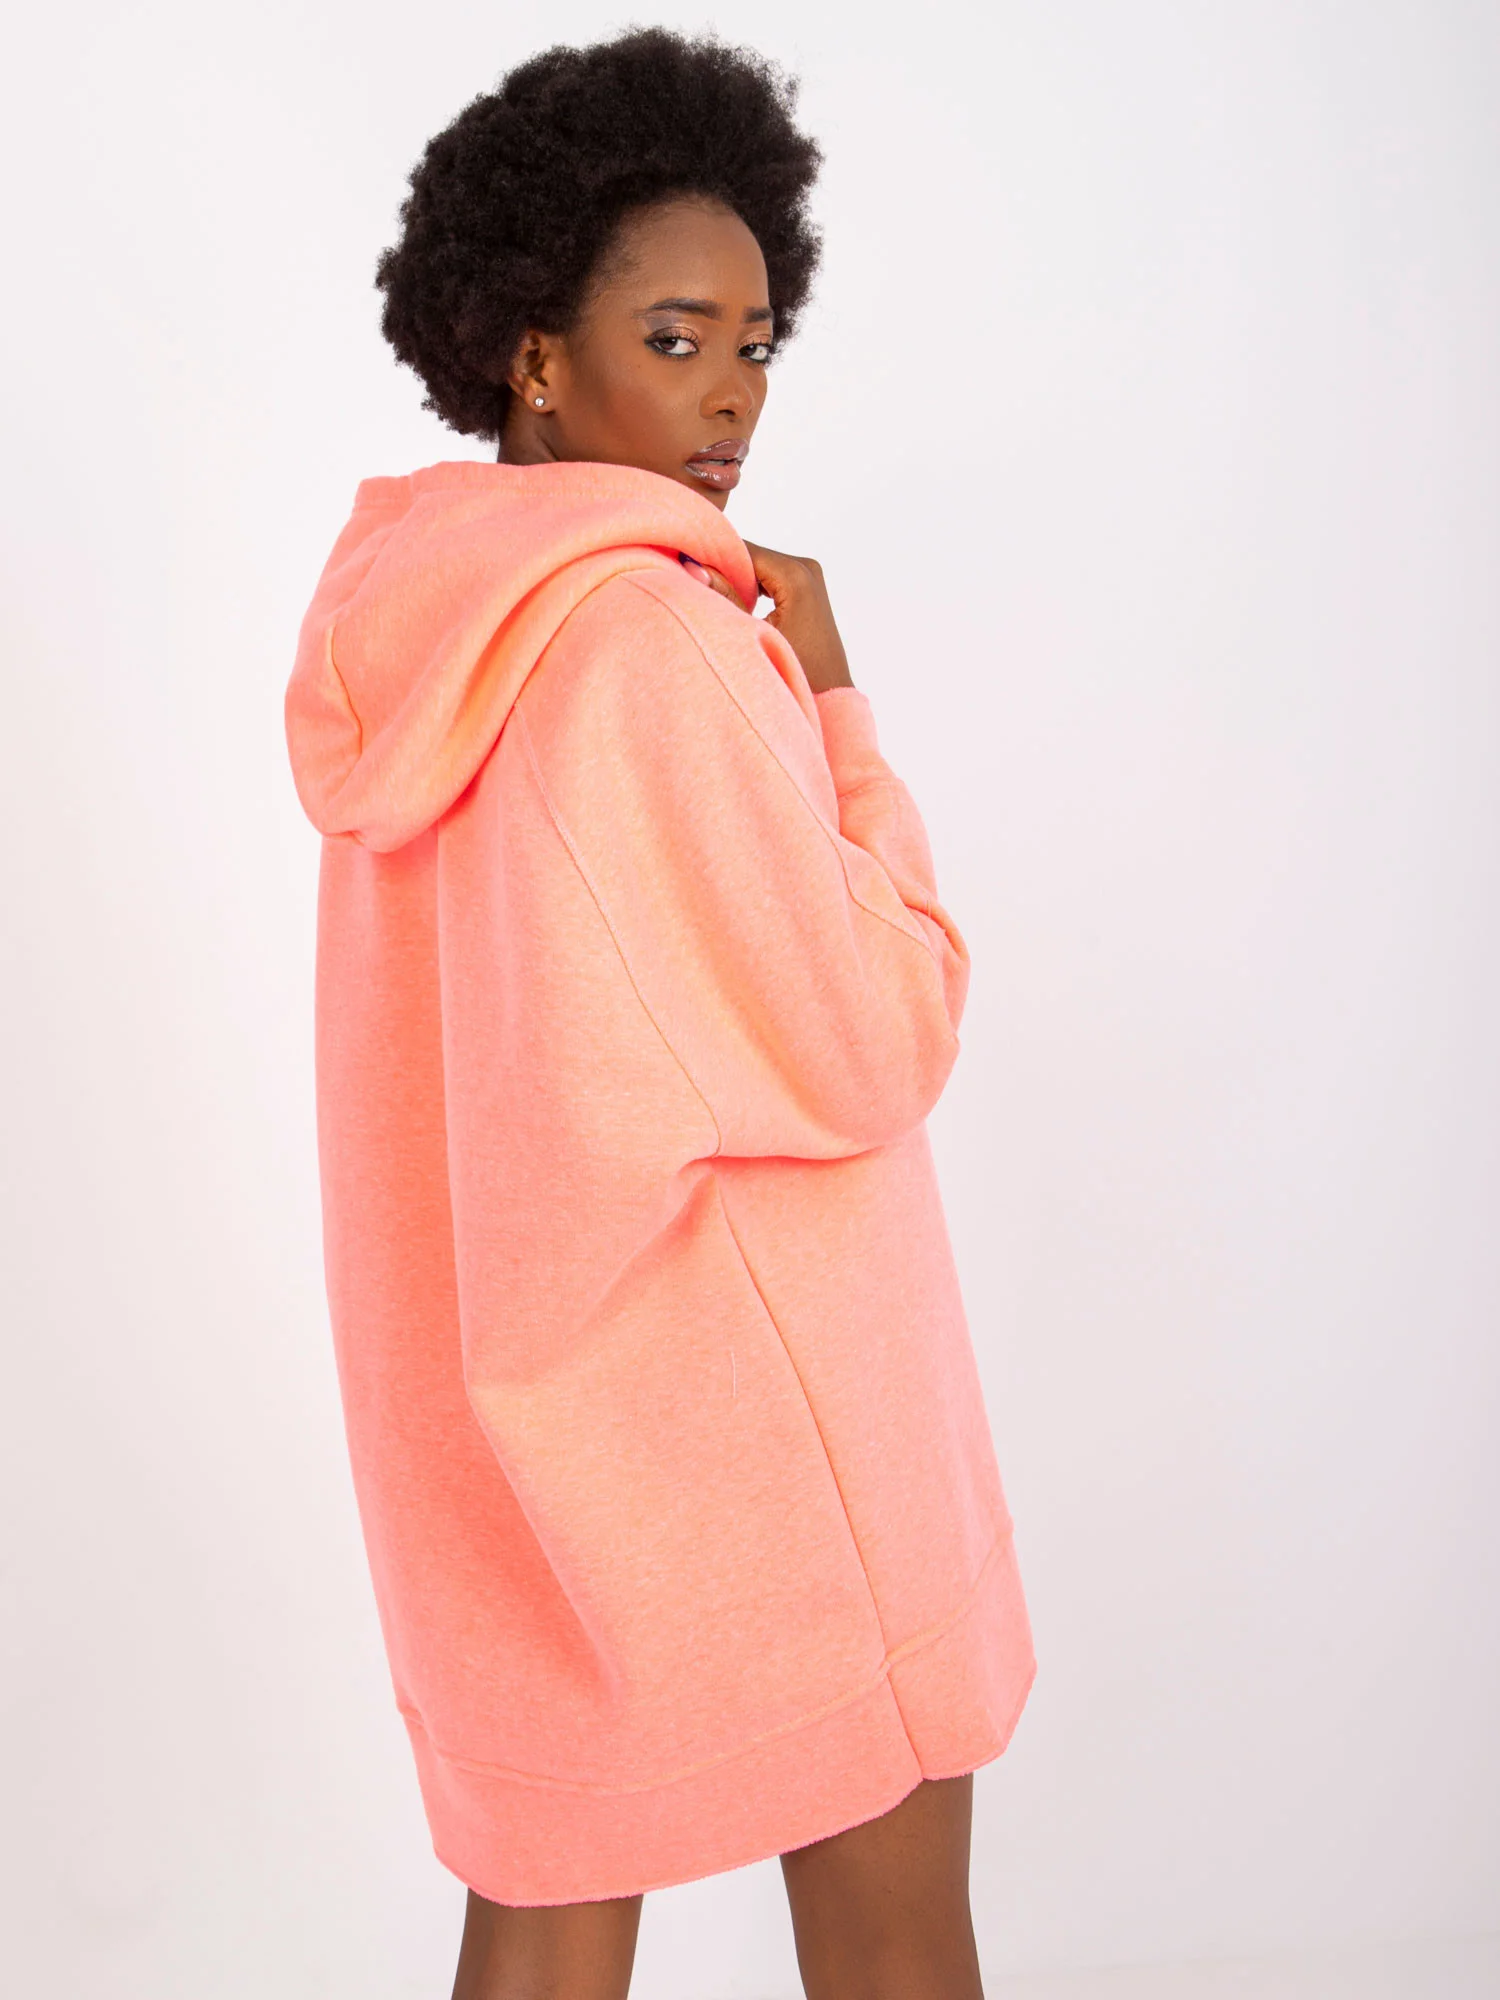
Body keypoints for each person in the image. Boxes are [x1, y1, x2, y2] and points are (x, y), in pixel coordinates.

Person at [285, 27, 1036, 2000]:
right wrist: (838, 697)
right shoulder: (652, 644)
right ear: (535, 356)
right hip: (773, 1421)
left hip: (515, 1419)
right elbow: (881, 1032)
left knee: (544, 1915)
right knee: (897, 1940)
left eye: (757, 346)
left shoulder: (423, 651)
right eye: (679, 338)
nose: (733, 397)